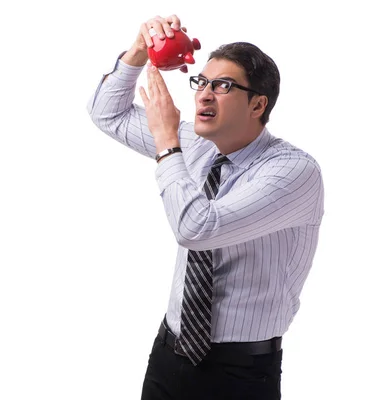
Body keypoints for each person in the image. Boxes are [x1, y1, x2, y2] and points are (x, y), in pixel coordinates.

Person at [86, 14, 324, 400]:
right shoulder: (195, 146)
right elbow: (106, 113)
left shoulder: (293, 172)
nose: (203, 94)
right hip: (169, 352)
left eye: (223, 85)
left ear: (257, 103)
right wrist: (139, 50)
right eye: (202, 82)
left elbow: (197, 228)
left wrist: (166, 141)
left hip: (240, 372)